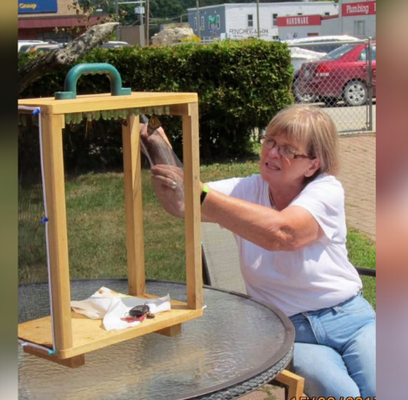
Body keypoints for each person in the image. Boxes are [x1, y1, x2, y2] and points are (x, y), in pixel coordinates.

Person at [146, 104, 376, 397]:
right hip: (289, 331)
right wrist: (154, 139)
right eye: (270, 141)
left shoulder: (326, 190)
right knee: (341, 392)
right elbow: (181, 203)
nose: (272, 153)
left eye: (288, 150)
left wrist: (196, 191)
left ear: (313, 165)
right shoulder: (245, 189)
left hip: (350, 319)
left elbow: (283, 233)